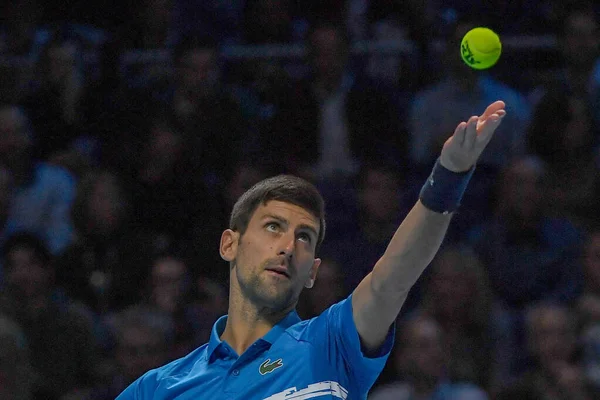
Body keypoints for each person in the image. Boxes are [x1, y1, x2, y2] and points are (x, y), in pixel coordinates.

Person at [117, 100, 507, 399]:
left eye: (304, 237)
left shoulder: (332, 342)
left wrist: (450, 175)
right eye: (273, 227)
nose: (288, 246)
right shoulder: (159, 387)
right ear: (230, 244)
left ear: (313, 273)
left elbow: (394, 276)